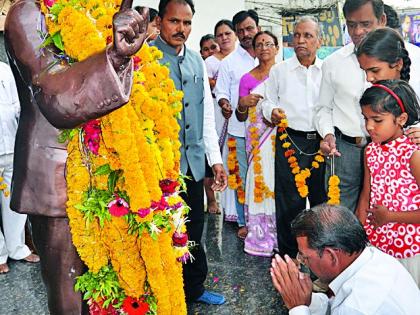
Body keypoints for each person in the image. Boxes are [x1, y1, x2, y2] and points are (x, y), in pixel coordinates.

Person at [5, 1, 148, 313]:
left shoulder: (102, 10)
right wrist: (114, 56)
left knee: (122, 286)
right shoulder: (29, 13)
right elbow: (56, 95)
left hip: (115, 171)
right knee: (70, 295)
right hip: (57, 178)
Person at [152, 0, 227, 305]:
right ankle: (160, 293)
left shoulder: (197, 60)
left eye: (187, 23)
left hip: (193, 165)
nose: (181, 29)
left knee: (194, 228)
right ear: (159, 21)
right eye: (174, 21)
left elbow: (206, 116)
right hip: (157, 167)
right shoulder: (146, 58)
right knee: (159, 231)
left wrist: (216, 161)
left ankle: (193, 289)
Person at [313, 0, 420, 212]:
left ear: (382, 20)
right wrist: (327, 134)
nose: (358, 31)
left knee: (391, 208)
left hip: (400, 150)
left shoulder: (414, 58)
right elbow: (323, 108)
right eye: (351, 24)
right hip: (346, 150)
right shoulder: (333, 63)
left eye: (365, 23)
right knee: (341, 216)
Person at [270, 203, 420, 315]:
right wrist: (307, 300)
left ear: (331, 256)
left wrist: (297, 308)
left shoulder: (357, 307)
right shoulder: (374, 258)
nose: (303, 262)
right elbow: (336, 303)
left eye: (305, 257)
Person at [261, 17, 326, 257]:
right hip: (290, 141)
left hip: (322, 143)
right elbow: (266, 103)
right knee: (289, 204)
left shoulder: (326, 70)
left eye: (307, 36)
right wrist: (272, 112)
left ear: (319, 41)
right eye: (296, 35)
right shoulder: (280, 71)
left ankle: (321, 259)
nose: (300, 40)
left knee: (322, 202)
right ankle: (288, 258)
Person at [356, 80, 420, 286]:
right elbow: (366, 195)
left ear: (401, 119)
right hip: (378, 244)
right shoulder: (371, 151)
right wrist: (358, 235)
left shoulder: (413, 153)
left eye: (377, 120)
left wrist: (390, 216)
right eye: (365, 119)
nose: (369, 126)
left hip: (411, 249)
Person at [215, 9, 260, 239]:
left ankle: (265, 221)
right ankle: (244, 221)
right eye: (240, 30)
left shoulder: (269, 58)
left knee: (264, 179)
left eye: (249, 28)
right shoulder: (229, 63)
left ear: (258, 28)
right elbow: (221, 91)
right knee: (240, 178)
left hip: (266, 133)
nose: (245, 34)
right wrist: (224, 104)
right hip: (238, 130)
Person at [235, 31, 278, 257]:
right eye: (259, 44)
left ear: (277, 48)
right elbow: (240, 115)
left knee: (279, 181)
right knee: (258, 180)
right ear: (254, 49)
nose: (264, 48)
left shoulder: (283, 74)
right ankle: (261, 235)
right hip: (257, 140)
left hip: (280, 136)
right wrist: (243, 103)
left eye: (268, 43)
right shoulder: (246, 79)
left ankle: (280, 235)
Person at [0, 62, 39, 274]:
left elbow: (18, 105)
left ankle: (17, 248)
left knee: (15, 200)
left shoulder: (4, 69)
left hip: (12, 147)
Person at [205, 19, 237, 217]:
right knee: (216, 156)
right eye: (220, 35)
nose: (224, 38)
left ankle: (235, 207)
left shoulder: (242, 59)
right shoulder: (210, 62)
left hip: (239, 116)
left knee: (234, 158)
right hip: (217, 113)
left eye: (228, 33)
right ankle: (213, 200)